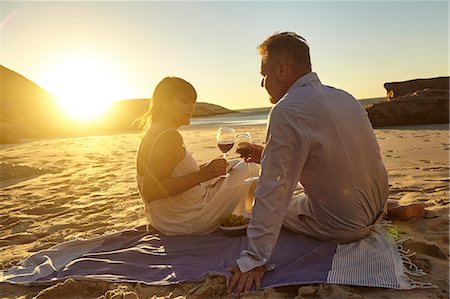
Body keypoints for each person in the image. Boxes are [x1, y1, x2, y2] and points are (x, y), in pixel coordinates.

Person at [227, 32, 424, 295]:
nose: (263, 83)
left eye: (264, 74)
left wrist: (254, 258)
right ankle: (390, 209)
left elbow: (274, 191)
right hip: (373, 206)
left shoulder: (286, 110)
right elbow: (330, 158)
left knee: (255, 193)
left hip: (345, 226)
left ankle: (374, 214)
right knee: (312, 190)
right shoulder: (345, 97)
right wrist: (265, 154)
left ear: (281, 69)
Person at [136, 77, 258, 235]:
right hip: (186, 219)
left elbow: (169, 173)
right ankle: (246, 217)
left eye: (193, 102)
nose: (192, 108)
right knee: (251, 167)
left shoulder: (154, 131)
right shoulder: (169, 136)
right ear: (165, 103)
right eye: (185, 101)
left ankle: (241, 215)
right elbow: (151, 191)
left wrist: (208, 170)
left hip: (166, 218)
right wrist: (203, 174)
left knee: (235, 164)